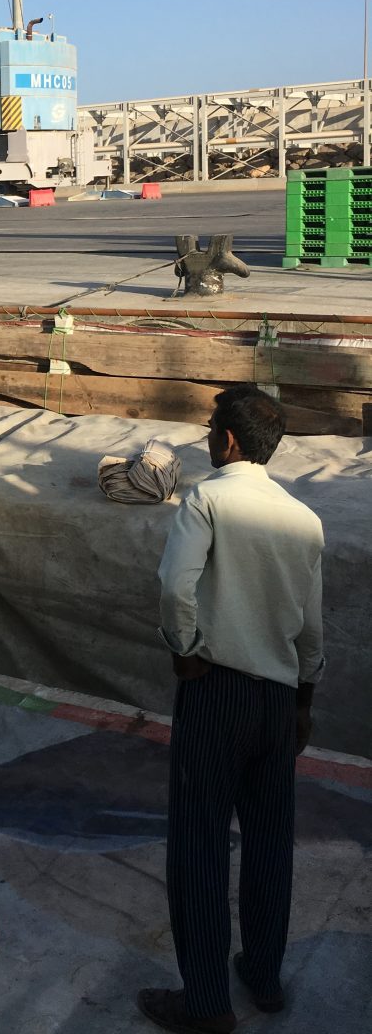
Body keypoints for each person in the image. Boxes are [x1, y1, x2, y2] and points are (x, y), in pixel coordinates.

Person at [138, 384, 325, 1034]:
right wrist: (303, 700)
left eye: (212, 427)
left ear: (230, 441)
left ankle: (206, 1004)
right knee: (270, 843)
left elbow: (175, 586)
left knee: (200, 846)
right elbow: (311, 629)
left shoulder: (207, 498)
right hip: (277, 702)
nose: (208, 437)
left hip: (217, 693)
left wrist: (184, 649)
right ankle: (264, 977)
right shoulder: (304, 521)